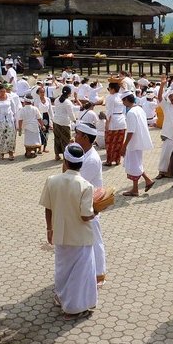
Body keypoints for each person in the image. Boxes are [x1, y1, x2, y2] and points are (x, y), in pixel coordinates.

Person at [40, 143, 97, 321]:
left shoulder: (52, 180)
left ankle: (61, 297)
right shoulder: (86, 186)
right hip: (80, 237)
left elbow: (48, 208)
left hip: (60, 234)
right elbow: (86, 215)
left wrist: (49, 229)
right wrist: (98, 210)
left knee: (62, 269)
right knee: (80, 274)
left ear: (65, 161)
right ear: (81, 164)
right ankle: (73, 308)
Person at [74, 122, 107, 285]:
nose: (74, 137)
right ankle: (89, 271)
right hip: (84, 203)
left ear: (85, 138)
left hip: (91, 205)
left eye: (77, 134)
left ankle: (99, 274)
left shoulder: (91, 159)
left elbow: (77, 182)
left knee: (94, 239)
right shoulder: (84, 154)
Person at [120, 92, 155, 196]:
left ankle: (136, 189)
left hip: (133, 142)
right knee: (136, 163)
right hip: (139, 141)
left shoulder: (131, 112)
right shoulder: (139, 109)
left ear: (126, 100)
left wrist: (124, 146)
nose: (123, 103)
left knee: (133, 165)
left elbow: (131, 131)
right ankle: (147, 180)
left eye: (123, 101)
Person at [155, 81, 173, 180]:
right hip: (168, 135)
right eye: (170, 96)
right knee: (165, 154)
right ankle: (162, 172)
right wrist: (161, 85)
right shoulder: (167, 106)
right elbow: (160, 97)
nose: (172, 98)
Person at [104, 82, 126, 166]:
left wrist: (107, 124)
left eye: (109, 88)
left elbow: (109, 111)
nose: (109, 90)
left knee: (109, 142)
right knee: (119, 142)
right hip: (122, 120)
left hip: (113, 120)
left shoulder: (110, 97)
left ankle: (109, 160)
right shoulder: (121, 96)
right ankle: (117, 160)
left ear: (112, 89)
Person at [52, 86, 77, 161]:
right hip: (64, 123)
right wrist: (74, 120)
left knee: (57, 138)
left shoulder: (57, 100)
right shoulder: (67, 102)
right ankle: (65, 156)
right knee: (66, 140)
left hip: (56, 121)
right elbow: (71, 113)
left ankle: (56, 155)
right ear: (69, 93)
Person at [34, 85, 53, 153]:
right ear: (38, 93)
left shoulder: (48, 99)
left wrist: (52, 120)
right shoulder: (36, 100)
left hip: (46, 116)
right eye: (41, 92)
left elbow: (50, 110)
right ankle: (39, 148)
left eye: (43, 92)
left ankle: (44, 147)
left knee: (46, 132)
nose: (42, 93)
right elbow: (35, 111)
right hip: (39, 117)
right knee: (40, 132)